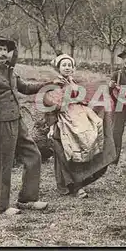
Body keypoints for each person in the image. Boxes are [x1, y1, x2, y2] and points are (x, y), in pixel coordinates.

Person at [0, 36, 50, 216]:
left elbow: (24, 87)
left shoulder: (9, 70)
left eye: (4, 50)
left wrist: (47, 85)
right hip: (2, 124)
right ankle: (1, 206)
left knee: (33, 155)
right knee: (4, 163)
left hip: (17, 120)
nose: (3, 53)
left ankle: (27, 199)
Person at [41, 54, 116, 199]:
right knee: (68, 150)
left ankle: (81, 179)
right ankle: (75, 185)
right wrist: (51, 126)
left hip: (79, 116)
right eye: (64, 65)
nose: (67, 68)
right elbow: (49, 106)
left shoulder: (73, 82)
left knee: (87, 142)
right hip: (63, 120)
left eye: (69, 65)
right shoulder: (54, 84)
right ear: (58, 68)